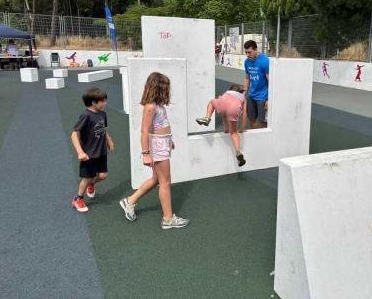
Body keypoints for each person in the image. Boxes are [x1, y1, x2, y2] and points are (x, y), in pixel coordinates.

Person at [119, 72, 189, 229]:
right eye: (165, 87)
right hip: (157, 146)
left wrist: (169, 141)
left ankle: (130, 201)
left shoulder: (159, 105)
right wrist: (146, 154)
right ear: (158, 88)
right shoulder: (150, 107)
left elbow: (162, 125)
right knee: (165, 182)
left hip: (162, 143)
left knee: (156, 180)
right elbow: (144, 131)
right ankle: (168, 219)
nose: (168, 91)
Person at [71, 88, 114, 212]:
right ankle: (77, 199)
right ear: (94, 103)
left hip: (101, 152)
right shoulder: (85, 116)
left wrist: (109, 141)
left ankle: (92, 184)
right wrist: (80, 152)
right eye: (103, 101)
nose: (105, 103)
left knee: (103, 175)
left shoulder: (102, 113)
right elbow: (74, 135)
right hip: (89, 155)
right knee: (87, 177)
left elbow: (102, 129)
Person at [196, 84, 247, 166]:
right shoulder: (242, 98)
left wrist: (226, 129)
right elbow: (244, 113)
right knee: (233, 133)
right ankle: (238, 151)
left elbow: (224, 113)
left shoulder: (226, 94)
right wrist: (242, 127)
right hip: (234, 108)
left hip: (222, 104)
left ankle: (207, 118)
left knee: (212, 102)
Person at [243, 40, 269, 128]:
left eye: (249, 52)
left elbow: (270, 81)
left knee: (263, 122)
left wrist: (269, 99)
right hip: (251, 95)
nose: (247, 55)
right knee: (251, 119)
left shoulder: (265, 61)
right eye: (246, 52)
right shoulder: (247, 62)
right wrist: (245, 93)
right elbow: (247, 77)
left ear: (256, 49)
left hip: (262, 97)